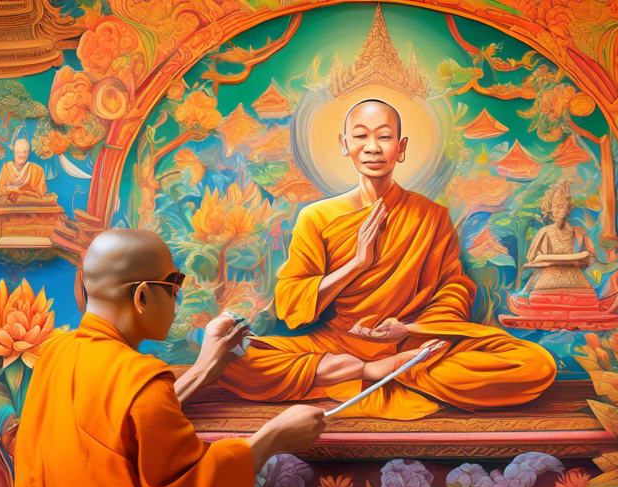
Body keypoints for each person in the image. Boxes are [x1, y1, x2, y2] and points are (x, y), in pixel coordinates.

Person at [6, 228, 326, 487]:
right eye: (174, 286)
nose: (177, 299)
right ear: (142, 296)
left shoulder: (54, 353)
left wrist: (203, 369)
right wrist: (273, 436)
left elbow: (116, 426)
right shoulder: (142, 378)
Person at [218, 99, 556, 420]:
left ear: (401, 146)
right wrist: (356, 265)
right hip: (338, 342)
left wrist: (407, 328)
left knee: (535, 364)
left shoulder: (431, 216)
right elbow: (291, 305)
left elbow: (452, 289)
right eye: (361, 136)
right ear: (344, 144)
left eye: (384, 136)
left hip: (410, 344)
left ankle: (388, 371)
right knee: (233, 358)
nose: (373, 147)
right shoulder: (316, 216)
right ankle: (372, 373)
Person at [0, 139, 53, 204]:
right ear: (14, 152)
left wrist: (20, 192)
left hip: (28, 203)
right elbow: (0, 189)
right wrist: (12, 192)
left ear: (28, 153)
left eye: (24, 152)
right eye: (18, 152)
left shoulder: (37, 170)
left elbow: (39, 193)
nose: (21, 155)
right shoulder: (6, 167)